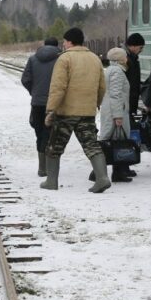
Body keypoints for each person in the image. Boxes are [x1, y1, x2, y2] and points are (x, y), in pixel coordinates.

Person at [42, 28, 109, 193]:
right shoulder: (94, 59)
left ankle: (51, 181)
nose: (63, 44)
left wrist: (51, 109)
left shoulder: (65, 59)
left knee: (54, 146)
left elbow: (58, 87)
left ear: (70, 42)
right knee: (92, 145)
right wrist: (97, 103)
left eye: (64, 41)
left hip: (66, 112)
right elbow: (102, 86)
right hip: (87, 111)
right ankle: (102, 178)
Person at [21, 38, 60, 177]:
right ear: (57, 46)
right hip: (55, 103)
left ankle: (41, 167)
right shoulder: (61, 59)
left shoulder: (33, 59)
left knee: (39, 133)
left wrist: (34, 91)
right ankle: (47, 167)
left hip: (37, 103)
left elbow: (25, 79)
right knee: (50, 134)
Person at [98, 47, 132, 184]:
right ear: (120, 59)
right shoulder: (118, 72)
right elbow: (116, 95)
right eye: (125, 56)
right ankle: (104, 173)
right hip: (115, 112)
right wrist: (118, 116)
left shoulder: (110, 70)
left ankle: (104, 172)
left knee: (110, 142)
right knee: (117, 142)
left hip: (110, 110)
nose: (127, 59)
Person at [122, 33, 145, 177]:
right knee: (123, 137)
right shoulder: (126, 59)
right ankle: (122, 166)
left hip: (129, 102)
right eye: (140, 48)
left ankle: (124, 165)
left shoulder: (132, 58)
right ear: (133, 46)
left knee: (125, 136)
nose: (141, 50)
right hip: (125, 103)